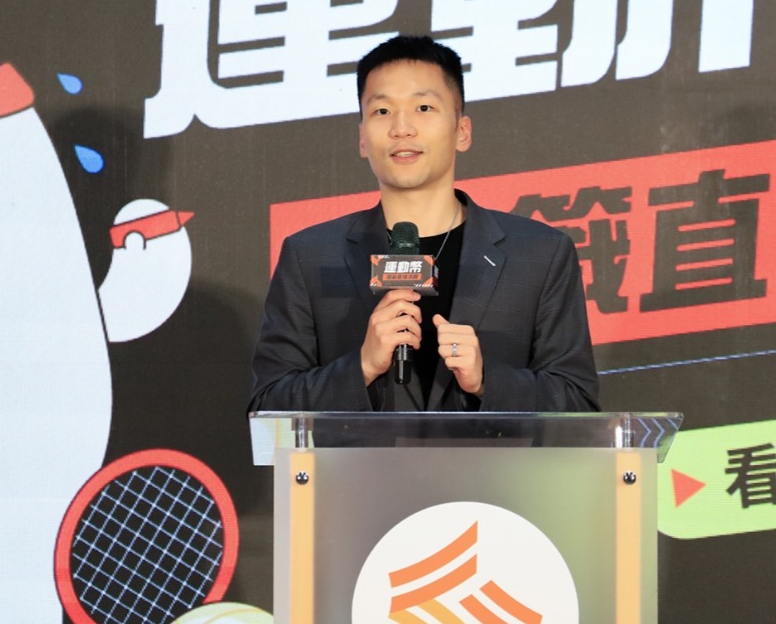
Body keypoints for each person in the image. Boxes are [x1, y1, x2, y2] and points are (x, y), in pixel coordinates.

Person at [248, 35, 599, 414]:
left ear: (462, 131)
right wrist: (361, 366)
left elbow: (577, 402)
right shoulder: (310, 256)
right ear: (362, 138)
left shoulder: (540, 253)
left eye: (424, 107)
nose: (402, 128)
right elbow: (268, 406)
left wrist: (486, 380)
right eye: (382, 111)